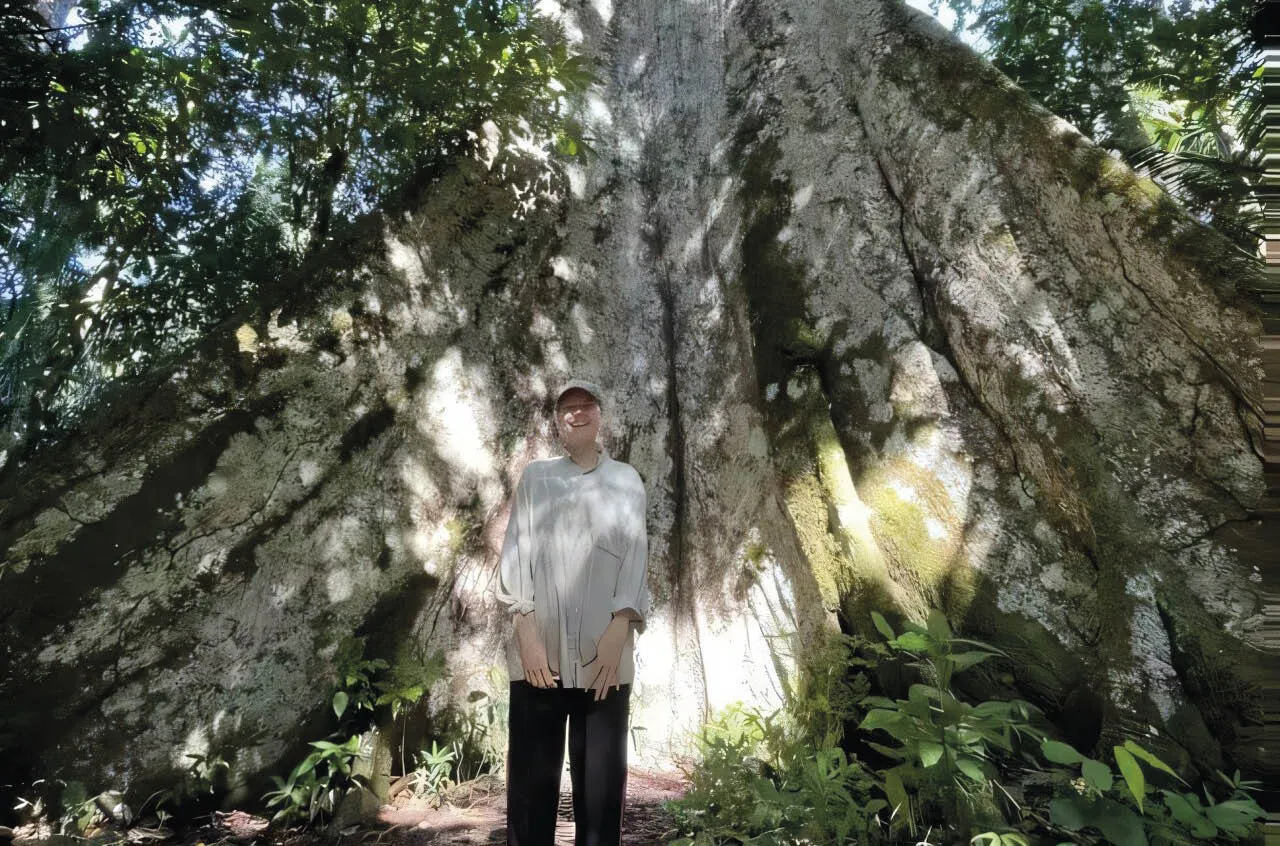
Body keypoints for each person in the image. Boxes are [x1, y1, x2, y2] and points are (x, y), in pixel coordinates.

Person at [495, 379, 650, 846]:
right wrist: (525, 631)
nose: (576, 414)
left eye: (585, 405)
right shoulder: (536, 478)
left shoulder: (626, 480)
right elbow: (516, 551)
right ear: (556, 421)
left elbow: (637, 556)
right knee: (530, 783)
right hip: (540, 653)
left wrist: (620, 627)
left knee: (601, 788)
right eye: (567, 408)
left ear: (600, 414)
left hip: (604, 656)